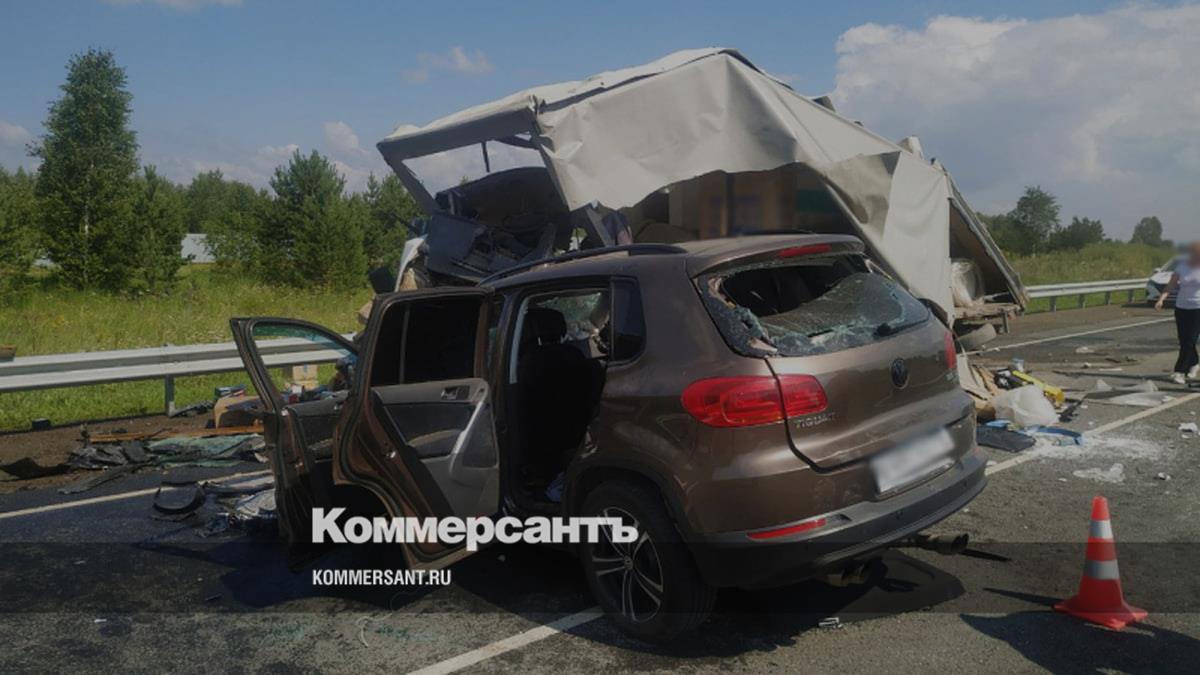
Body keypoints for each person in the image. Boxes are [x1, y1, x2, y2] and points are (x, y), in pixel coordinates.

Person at [1155, 242, 1200, 384]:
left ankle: (1179, 371)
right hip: (1181, 307)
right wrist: (1161, 299)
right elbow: (1171, 284)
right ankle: (1194, 363)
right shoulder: (1182, 267)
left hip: (1197, 307)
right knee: (1184, 339)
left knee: (1190, 340)